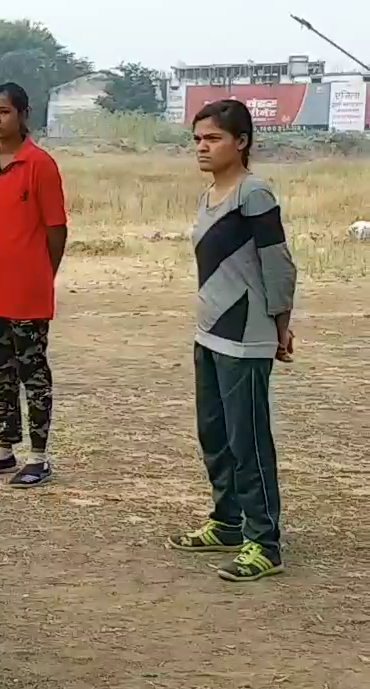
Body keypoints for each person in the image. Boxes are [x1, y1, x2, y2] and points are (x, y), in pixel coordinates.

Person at [167, 99, 297, 583]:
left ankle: (264, 542)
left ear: (241, 142)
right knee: (215, 435)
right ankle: (227, 521)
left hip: (247, 337)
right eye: (198, 139)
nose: (203, 147)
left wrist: (280, 326)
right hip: (210, 332)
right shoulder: (209, 196)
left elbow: (278, 264)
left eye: (214, 138)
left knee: (250, 441)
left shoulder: (254, 194)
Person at [0, 82, 67, 488]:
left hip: (28, 291)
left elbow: (56, 229)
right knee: (0, 374)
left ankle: (39, 457)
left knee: (33, 373)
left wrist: (42, 272)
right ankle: (3, 450)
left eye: (3, 112)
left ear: (23, 115)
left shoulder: (40, 164)